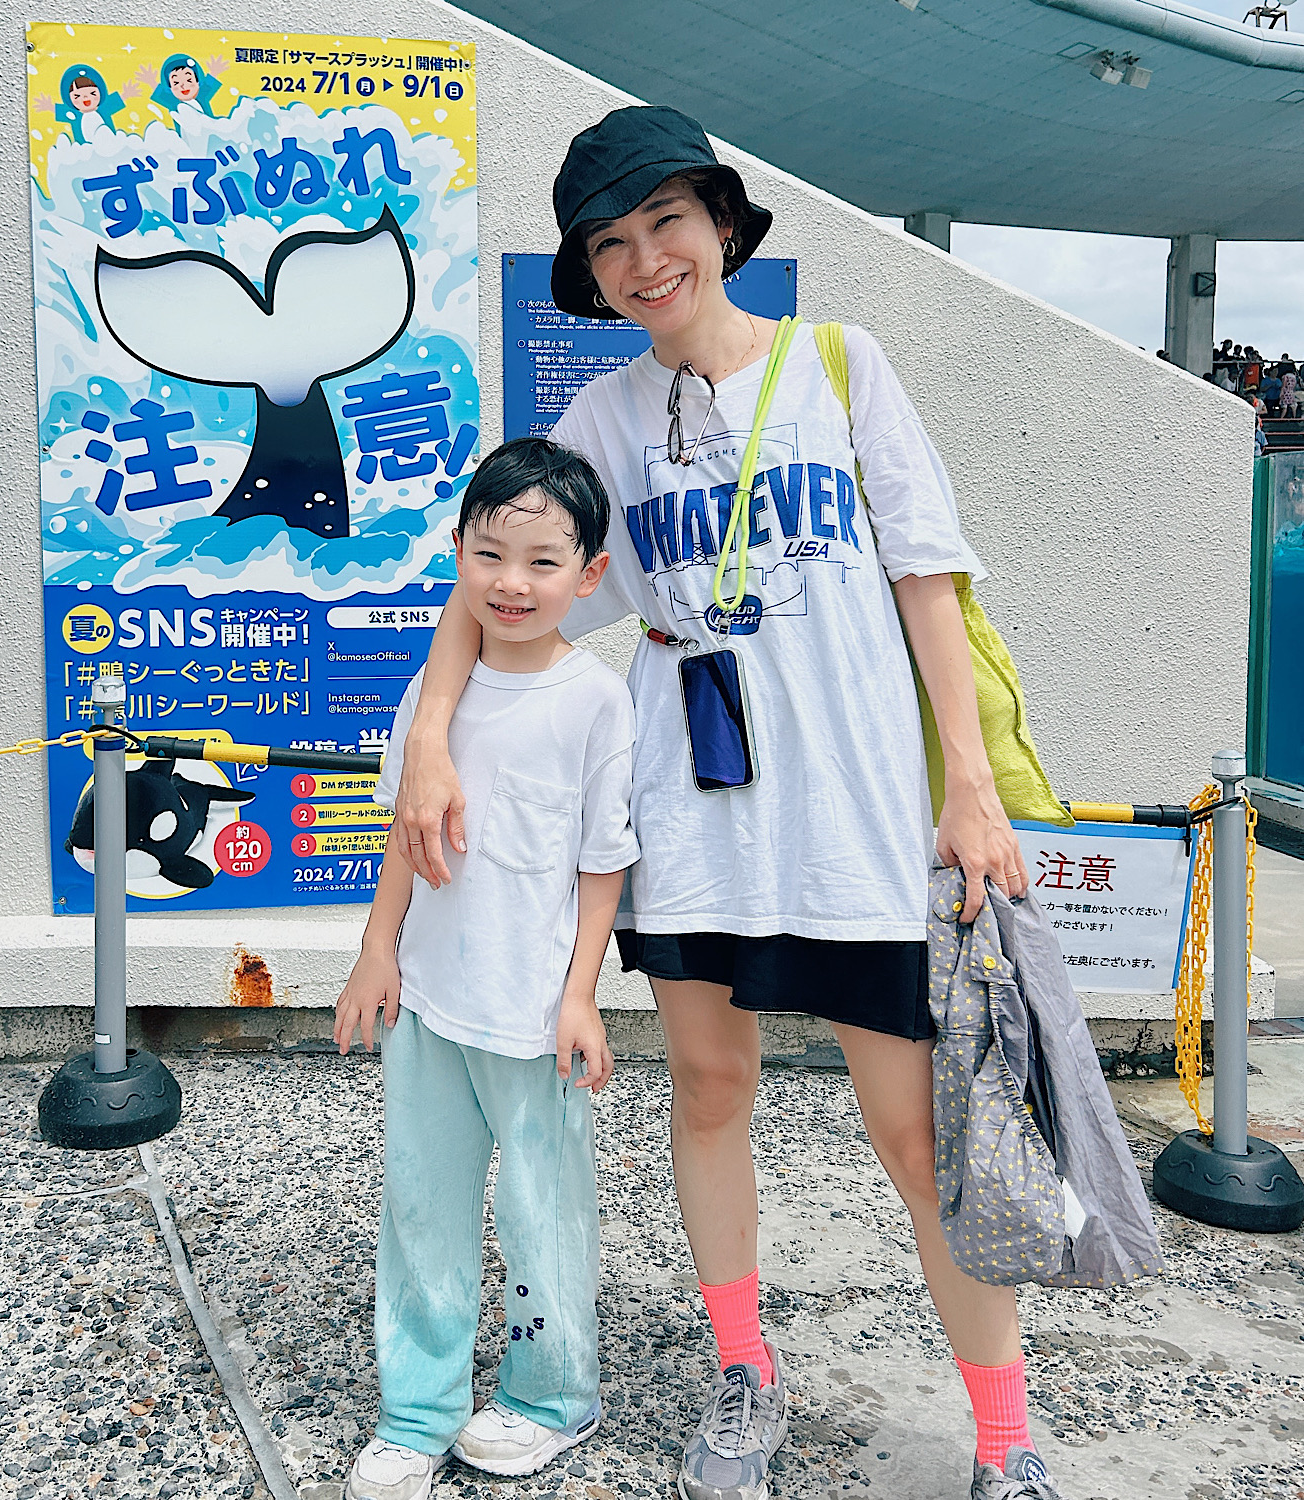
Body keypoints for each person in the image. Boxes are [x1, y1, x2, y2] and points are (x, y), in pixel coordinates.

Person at [391, 106, 1067, 1500]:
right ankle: (743, 1373)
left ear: (723, 226)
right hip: (692, 822)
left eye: (666, 223)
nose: (647, 259)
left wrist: (973, 789)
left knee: (912, 1131)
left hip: (860, 821)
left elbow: (927, 581)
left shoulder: (840, 365)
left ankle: (1008, 1439)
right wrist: (436, 741)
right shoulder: (601, 420)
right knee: (710, 1088)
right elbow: (488, 573)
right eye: (613, 242)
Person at [333, 438, 640, 1500]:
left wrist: (580, 995)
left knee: (543, 1211)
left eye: (544, 561)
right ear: (458, 553)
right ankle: (417, 1408)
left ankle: (551, 1395)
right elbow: (403, 837)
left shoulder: (596, 703)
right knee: (421, 1202)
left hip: (534, 1013)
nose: (514, 583)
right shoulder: (437, 694)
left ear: (590, 575)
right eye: (491, 554)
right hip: (431, 999)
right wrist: (378, 950)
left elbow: (604, 865)